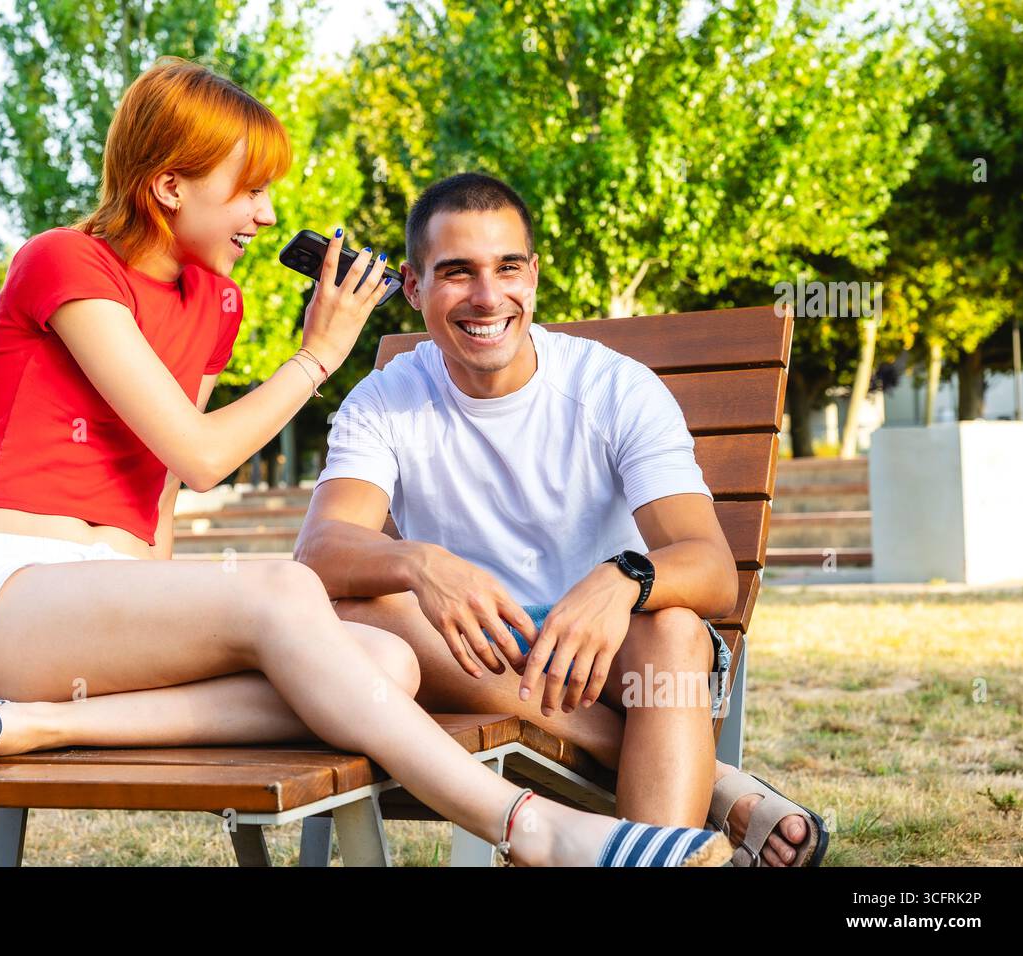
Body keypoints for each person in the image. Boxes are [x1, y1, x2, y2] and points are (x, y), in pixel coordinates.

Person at [0, 56, 731, 867]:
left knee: (385, 661)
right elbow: (197, 458)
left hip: (101, 623)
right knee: (289, 590)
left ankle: (32, 724)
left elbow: (155, 493)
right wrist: (318, 357)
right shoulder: (64, 260)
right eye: (249, 188)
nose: (264, 216)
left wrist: (163, 594)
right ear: (169, 187)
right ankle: (535, 828)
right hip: (4, 597)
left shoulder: (216, 302)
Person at [294, 172, 828, 868]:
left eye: (507, 267)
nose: (488, 297)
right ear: (415, 286)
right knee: (358, 616)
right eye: (457, 272)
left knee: (672, 629)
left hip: (612, 656)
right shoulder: (385, 399)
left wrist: (621, 580)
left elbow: (711, 570)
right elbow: (320, 551)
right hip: (469, 648)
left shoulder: (614, 388)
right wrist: (421, 563)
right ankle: (712, 789)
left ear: (534, 275)